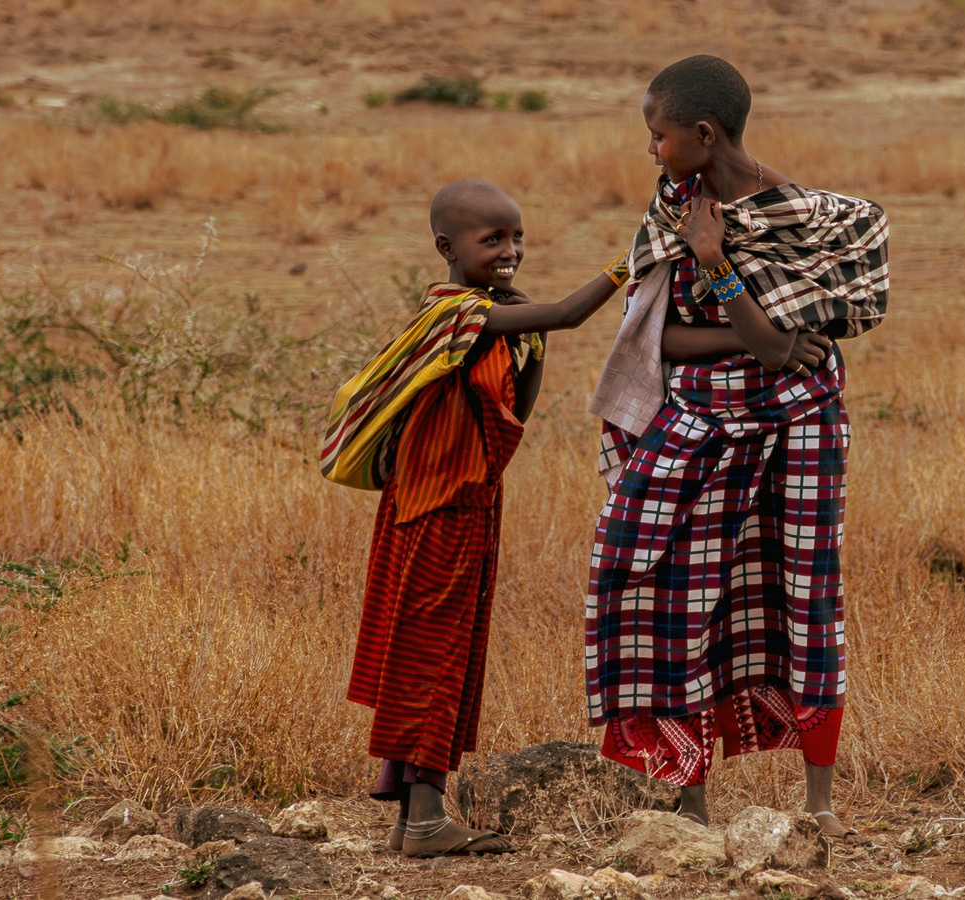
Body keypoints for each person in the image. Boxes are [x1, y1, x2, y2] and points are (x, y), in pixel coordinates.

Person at [586, 55, 889, 834]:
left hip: (802, 427)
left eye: (657, 135)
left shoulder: (807, 223)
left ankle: (819, 809)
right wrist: (763, 341)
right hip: (698, 426)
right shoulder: (673, 211)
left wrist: (720, 271)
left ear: (704, 133)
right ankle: (691, 799)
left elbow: (773, 338)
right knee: (672, 590)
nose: (650, 150)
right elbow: (654, 336)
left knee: (805, 596)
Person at [323, 178, 627, 857]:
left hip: (462, 506)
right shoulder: (454, 315)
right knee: (433, 654)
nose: (510, 251)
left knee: (441, 652)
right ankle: (426, 818)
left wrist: (532, 337)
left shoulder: (485, 321)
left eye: (517, 238)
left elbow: (517, 406)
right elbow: (571, 314)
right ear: (446, 248)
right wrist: (628, 263)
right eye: (493, 240)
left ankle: (414, 818)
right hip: (438, 512)